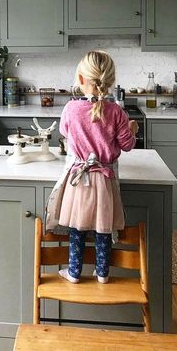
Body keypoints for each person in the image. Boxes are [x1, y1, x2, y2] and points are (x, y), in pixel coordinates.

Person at [49, 50, 138, 284]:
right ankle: (103, 273)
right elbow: (127, 146)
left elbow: (65, 133)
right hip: (105, 180)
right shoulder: (117, 112)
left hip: (80, 179)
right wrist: (132, 130)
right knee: (103, 227)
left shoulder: (70, 109)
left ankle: (75, 272)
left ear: (80, 79)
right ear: (110, 81)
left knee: (77, 227)